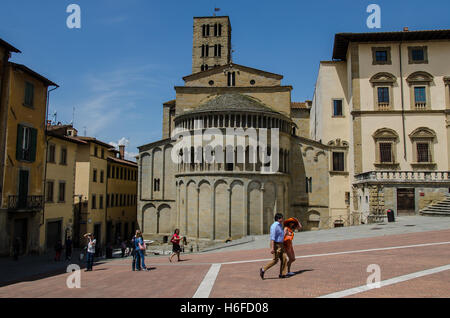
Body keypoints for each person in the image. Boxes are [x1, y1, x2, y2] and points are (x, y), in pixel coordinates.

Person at [260, 213, 287, 279]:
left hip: (281, 244)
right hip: (276, 245)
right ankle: (263, 269)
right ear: (278, 219)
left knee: (284, 258)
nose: (283, 219)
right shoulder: (274, 226)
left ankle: (282, 274)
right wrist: (272, 248)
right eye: (282, 218)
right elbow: (272, 238)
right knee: (275, 260)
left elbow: (280, 235)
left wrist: (285, 233)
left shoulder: (280, 225)